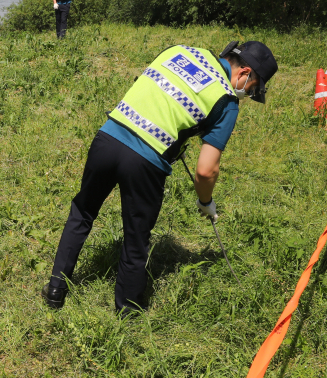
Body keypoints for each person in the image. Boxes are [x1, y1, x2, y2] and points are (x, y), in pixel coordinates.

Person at [42, 40, 278, 314]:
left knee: (82, 211)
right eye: (252, 89)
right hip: (145, 163)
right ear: (244, 73)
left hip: (108, 138)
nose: (247, 95)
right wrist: (205, 201)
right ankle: (128, 312)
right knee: (136, 237)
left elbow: (157, 94)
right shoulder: (227, 102)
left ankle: (56, 291)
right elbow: (205, 170)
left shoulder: (181, 51)